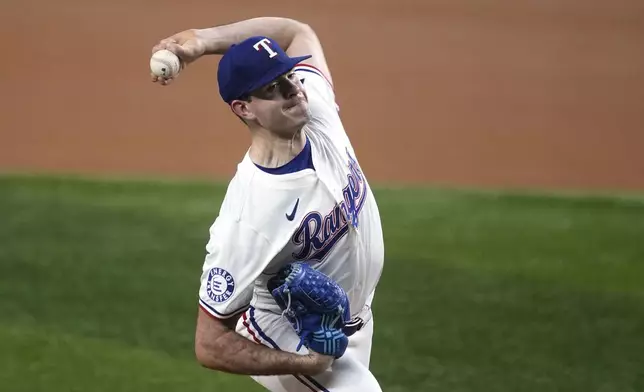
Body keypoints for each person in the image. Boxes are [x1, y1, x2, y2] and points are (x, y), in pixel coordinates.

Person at [151, 16, 385, 392]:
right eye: (275, 88)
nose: (295, 89)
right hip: (288, 333)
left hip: (354, 321)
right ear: (244, 108)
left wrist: (203, 40)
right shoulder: (249, 217)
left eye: (290, 76)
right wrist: (306, 362)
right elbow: (210, 343)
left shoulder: (315, 108)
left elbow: (296, 33)